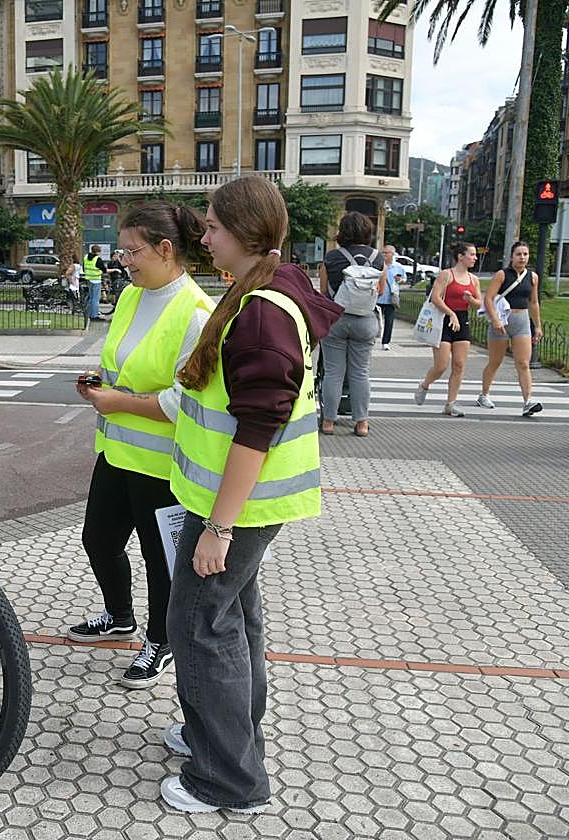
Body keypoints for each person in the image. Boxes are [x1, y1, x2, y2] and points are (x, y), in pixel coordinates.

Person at [161, 176, 340, 814]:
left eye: (211, 227)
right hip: (244, 505)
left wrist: (218, 528)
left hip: (237, 507)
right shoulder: (270, 288)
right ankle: (224, 737)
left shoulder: (262, 310)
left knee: (199, 628)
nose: (203, 238)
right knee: (233, 623)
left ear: (243, 230)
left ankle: (228, 779)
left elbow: (257, 427)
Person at [67, 204, 214, 689]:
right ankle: (119, 616)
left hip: (161, 464)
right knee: (99, 540)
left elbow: (181, 403)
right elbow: (122, 365)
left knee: (159, 560)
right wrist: (100, 386)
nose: (124, 260)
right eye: (122, 250)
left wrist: (118, 401)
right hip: (115, 452)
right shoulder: (131, 295)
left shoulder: (196, 312)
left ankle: (161, 641)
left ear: (165, 250)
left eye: (133, 251)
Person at [318, 212, 383, 437]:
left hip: (336, 319)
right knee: (360, 372)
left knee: (333, 372)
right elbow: (380, 290)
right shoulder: (378, 257)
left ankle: (328, 421)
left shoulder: (332, 257)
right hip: (366, 320)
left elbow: (324, 292)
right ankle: (362, 423)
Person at [476, 241, 544, 416]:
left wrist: (538, 325)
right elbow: (489, 299)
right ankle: (484, 394)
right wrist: (495, 320)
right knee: (495, 361)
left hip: (521, 320)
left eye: (525, 254)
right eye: (519, 254)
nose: (522, 257)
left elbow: (534, 302)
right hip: (503, 321)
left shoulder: (533, 277)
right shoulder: (502, 275)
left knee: (523, 363)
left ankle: (528, 401)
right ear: (512, 256)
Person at [414, 242, 482, 417]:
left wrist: (470, 299)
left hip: (462, 320)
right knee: (441, 365)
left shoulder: (474, 279)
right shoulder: (446, 275)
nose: (475, 258)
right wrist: (450, 314)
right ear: (461, 256)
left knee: (459, 364)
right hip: (443, 320)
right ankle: (425, 384)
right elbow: (436, 298)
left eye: (475, 255)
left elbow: (478, 303)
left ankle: (450, 404)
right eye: (472, 254)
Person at [378, 244, 406, 350]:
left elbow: (404, 278)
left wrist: (400, 280)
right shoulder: (378, 264)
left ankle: (386, 342)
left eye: (386, 252)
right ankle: (372, 338)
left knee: (389, 321)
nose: (384, 254)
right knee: (374, 320)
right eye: (383, 252)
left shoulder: (398, 267)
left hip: (391, 297)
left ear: (392, 254)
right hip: (378, 296)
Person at [83, 244, 106, 320]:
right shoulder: (97, 259)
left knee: (91, 298)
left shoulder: (86, 257)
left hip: (88, 279)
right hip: (96, 280)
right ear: (98, 251)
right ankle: (94, 316)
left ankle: (89, 314)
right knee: (95, 299)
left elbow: (84, 268)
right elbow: (104, 270)